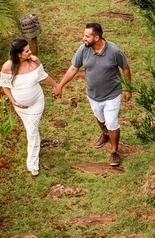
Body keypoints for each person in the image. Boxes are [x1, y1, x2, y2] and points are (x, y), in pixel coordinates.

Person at [54, 22, 131, 166]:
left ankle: (114, 151)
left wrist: (128, 88)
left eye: (87, 36)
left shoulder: (114, 51)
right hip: (93, 95)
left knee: (112, 122)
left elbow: (125, 68)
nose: (84, 38)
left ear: (96, 38)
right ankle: (105, 133)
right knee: (100, 118)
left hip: (112, 94)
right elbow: (73, 69)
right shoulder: (83, 49)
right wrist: (60, 85)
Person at [0, 38, 59, 176]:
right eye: (26, 51)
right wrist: (13, 101)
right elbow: (5, 86)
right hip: (21, 108)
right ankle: (35, 147)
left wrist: (56, 86)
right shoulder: (7, 67)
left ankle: (32, 164)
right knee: (33, 131)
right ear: (18, 54)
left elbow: (43, 76)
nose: (30, 52)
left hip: (37, 102)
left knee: (31, 131)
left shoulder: (34, 61)